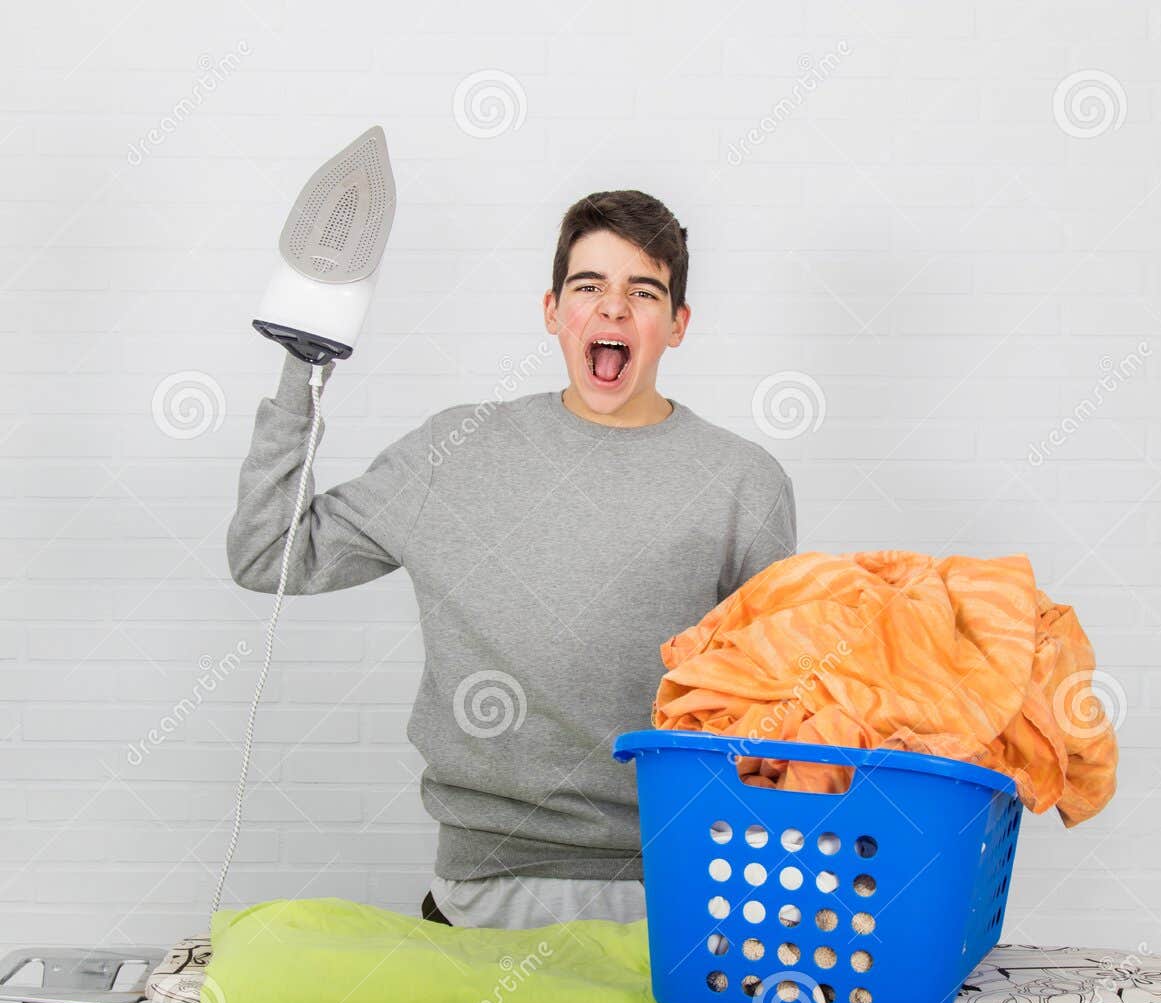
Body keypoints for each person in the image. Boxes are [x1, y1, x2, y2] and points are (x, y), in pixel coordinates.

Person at [226, 190, 796, 930]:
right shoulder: (453, 452)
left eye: (643, 290)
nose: (613, 309)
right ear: (554, 311)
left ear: (677, 325)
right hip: (479, 892)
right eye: (589, 286)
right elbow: (270, 554)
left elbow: (780, 709)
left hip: (675, 892)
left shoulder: (743, 483)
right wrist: (301, 370)